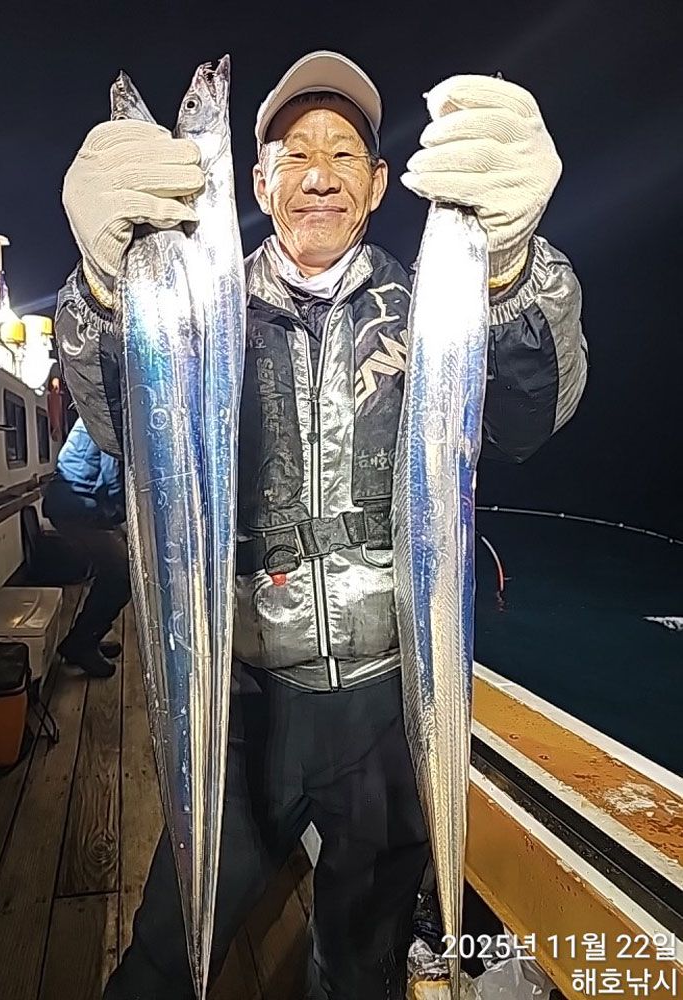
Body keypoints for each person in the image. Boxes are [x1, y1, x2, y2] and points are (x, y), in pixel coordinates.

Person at [57, 51, 587, 999]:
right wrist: (104, 292)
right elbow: (117, 422)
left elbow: (526, 418)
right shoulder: (198, 307)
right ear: (257, 182)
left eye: (344, 152)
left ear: (379, 185)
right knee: (166, 952)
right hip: (242, 698)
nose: (319, 174)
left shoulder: (431, 301)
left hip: (387, 700)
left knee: (359, 963)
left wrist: (512, 270)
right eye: (294, 152)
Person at [42, 416, 130, 678]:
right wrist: (122, 514)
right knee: (122, 576)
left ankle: (86, 637)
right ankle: (81, 644)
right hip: (78, 504)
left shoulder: (98, 410)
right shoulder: (111, 416)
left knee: (112, 572)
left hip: (74, 501)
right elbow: (110, 473)